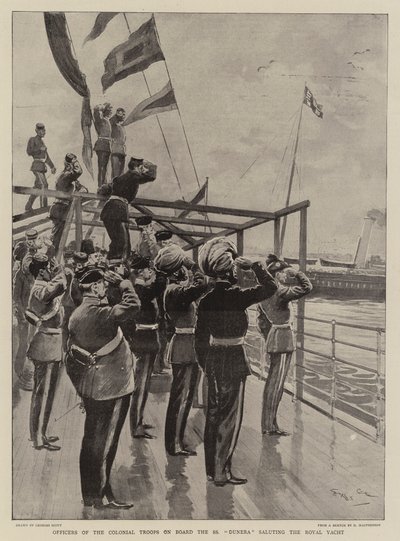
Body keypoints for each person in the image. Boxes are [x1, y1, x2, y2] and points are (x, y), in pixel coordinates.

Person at [195, 237, 277, 487]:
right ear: (230, 270)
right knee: (230, 416)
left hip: (213, 358)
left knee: (213, 415)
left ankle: (212, 470)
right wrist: (256, 266)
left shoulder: (206, 300)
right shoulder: (238, 297)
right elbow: (271, 287)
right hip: (233, 359)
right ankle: (222, 472)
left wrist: (204, 364)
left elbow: (200, 337)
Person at [66, 266, 140, 509]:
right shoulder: (104, 314)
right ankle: (101, 496)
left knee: (91, 441)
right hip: (112, 388)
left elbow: (71, 360)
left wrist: (81, 388)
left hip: (92, 387)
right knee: (106, 443)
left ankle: (90, 495)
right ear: (96, 287)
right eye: (103, 285)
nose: (106, 288)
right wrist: (125, 284)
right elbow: (133, 305)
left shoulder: (77, 315)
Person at [155, 245, 207, 456]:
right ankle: (174, 444)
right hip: (184, 346)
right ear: (179, 270)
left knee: (186, 395)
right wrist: (193, 264)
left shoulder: (174, 290)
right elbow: (201, 283)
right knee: (181, 396)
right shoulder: (175, 291)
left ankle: (178, 440)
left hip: (187, 345)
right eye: (183, 266)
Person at [256, 255, 312, 435]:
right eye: (281, 273)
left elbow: (261, 322)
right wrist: (297, 273)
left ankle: (269, 424)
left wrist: (269, 336)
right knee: (276, 384)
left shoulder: (263, 291)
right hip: (282, 338)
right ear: (275, 274)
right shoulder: (280, 291)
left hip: (275, 337)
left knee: (274, 383)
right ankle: (269, 427)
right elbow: (307, 287)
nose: (284, 276)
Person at [25, 254, 67, 451]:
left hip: (52, 343)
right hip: (46, 344)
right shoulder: (40, 288)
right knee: (42, 393)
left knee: (48, 393)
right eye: (49, 267)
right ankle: (38, 438)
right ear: (42, 270)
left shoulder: (43, 286)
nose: (52, 270)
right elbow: (57, 286)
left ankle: (41, 432)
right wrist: (59, 272)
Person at [129, 252, 167, 439]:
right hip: (143, 341)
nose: (150, 272)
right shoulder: (140, 290)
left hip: (149, 339)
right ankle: (135, 426)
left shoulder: (144, 288)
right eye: (148, 269)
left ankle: (138, 421)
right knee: (140, 385)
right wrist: (161, 273)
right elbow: (158, 288)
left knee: (144, 384)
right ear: (140, 271)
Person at [100, 157, 157, 262]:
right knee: (123, 243)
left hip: (110, 210)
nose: (144, 170)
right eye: (143, 168)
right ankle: (117, 266)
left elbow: (104, 190)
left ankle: (113, 264)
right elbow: (152, 176)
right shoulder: (134, 175)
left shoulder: (119, 178)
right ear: (138, 167)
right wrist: (149, 166)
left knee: (117, 242)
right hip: (118, 210)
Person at [12, 230, 41, 384]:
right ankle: (20, 372)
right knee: (24, 344)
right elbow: (16, 298)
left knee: (33, 343)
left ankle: (30, 372)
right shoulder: (20, 275)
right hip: (24, 315)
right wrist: (22, 315)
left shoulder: (36, 273)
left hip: (34, 314)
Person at [49, 154, 83, 253]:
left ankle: (54, 256)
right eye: (74, 163)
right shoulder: (66, 175)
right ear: (69, 165)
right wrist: (74, 162)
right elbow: (79, 171)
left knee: (58, 237)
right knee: (57, 238)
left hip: (60, 208)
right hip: (61, 208)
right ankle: (54, 257)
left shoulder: (64, 175)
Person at [25, 123, 56, 210]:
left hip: (42, 167)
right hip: (36, 166)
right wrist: (39, 149)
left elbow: (46, 157)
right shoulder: (32, 139)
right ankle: (44, 208)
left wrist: (52, 167)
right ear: (37, 131)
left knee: (38, 186)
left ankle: (28, 206)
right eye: (42, 130)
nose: (44, 132)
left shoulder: (42, 142)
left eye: (44, 130)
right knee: (44, 185)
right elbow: (28, 152)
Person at [93, 103, 113, 187]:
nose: (111, 111)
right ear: (105, 111)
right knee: (102, 168)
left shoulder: (107, 120)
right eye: (109, 110)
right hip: (102, 145)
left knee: (104, 168)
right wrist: (103, 106)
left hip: (107, 146)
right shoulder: (101, 120)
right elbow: (96, 109)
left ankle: (103, 185)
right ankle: (100, 186)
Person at [110, 107, 127, 178]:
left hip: (122, 151)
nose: (124, 116)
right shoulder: (113, 124)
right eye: (122, 114)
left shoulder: (121, 126)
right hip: (115, 151)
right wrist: (117, 115)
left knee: (121, 173)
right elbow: (111, 121)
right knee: (115, 173)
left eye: (124, 114)